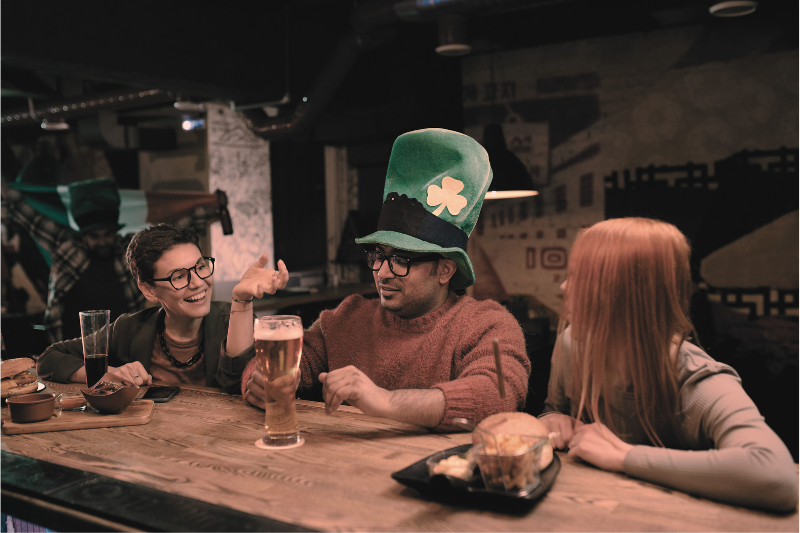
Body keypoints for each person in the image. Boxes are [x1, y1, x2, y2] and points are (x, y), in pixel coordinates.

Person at [242, 128, 530, 431]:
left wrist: (384, 401)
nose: (382, 271)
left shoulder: (487, 324)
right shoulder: (346, 319)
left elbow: (497, 396)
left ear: (445, 270)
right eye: (378, 255)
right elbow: (293, 362)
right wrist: (259, 380)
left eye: (402, 259)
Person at [539, 217, 798, 512]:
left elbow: (776, 475)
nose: (563, 286)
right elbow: (554, 408)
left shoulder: (698, 380)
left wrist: (625, 457)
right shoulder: (572, 343)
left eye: (579, 277)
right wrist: (551, 418)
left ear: (625, 295)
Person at [37, 224, 288, 392]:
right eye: (179, 276)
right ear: (148, 290)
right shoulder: (129, 329)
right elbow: (49, 358)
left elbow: (234, 386)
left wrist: (241, 301)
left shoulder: (233, 319)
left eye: (200, 266)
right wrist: (106, 373)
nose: (198, 282)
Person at [2, 178, 144, 343]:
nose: (103, 242)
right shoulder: (68, 248)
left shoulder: (127, 250)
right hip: (75, 349)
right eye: (94, 236)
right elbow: (27, 214)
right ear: (83, 236)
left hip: (122, 345)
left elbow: (168, 233)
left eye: (108, 234)